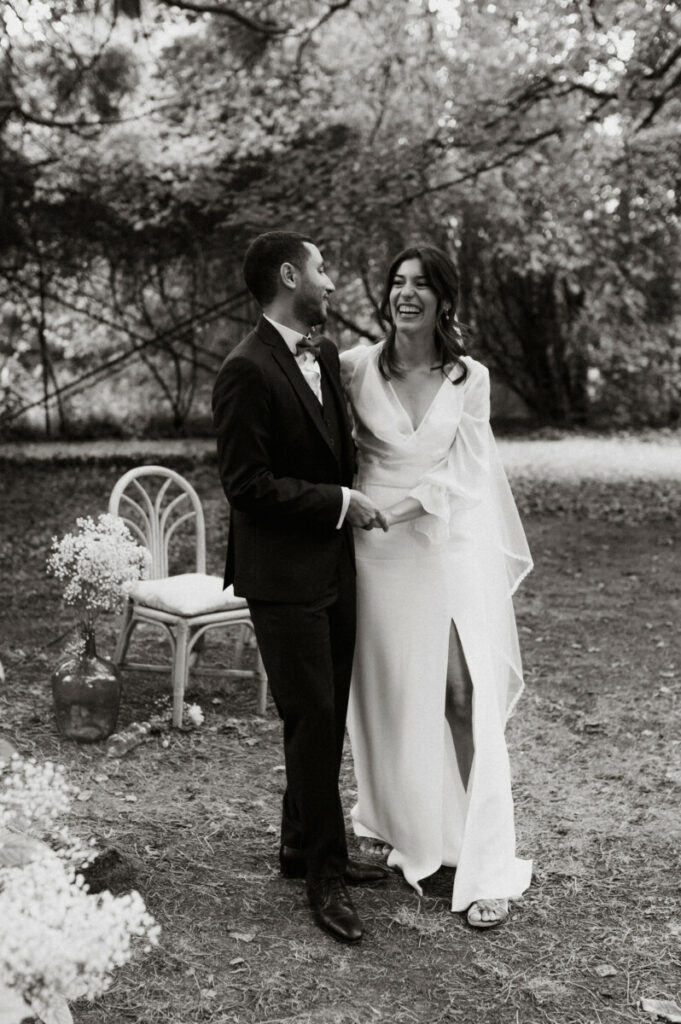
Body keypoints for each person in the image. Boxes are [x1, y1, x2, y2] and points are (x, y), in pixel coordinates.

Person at [340, 244, 533, 929]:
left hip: (438, 546)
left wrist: (396, 510)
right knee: (389, 695)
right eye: (396, 282)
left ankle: (485, 862)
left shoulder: (466, 377)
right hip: (370, 558)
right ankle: (409, 826)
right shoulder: (353, 366)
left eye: (420, 284)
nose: (405, 293)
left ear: (443, 299)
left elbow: (467, 471)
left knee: (459, 695)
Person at [211, 231, 389, 945]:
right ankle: (325, 874)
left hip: (333, 568)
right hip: (281, 578)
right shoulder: (244, 369)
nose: (331, 281)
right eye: (322, 268)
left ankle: (298, 847)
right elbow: (246, 487)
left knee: (325, 715)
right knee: (311, 718)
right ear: (289, 275)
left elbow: (335, 449)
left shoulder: (318, 353)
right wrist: (342, 504)